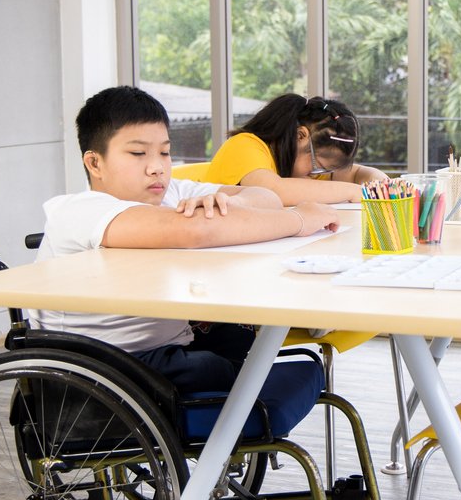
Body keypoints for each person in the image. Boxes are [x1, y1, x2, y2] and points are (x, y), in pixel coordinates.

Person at [33, 86, 339, 396]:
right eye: (138, 153)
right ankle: (235, 416)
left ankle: (236, 415)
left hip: (162, 347)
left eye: (164, 152)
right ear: (95, 163)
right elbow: (195, 231)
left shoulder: (171, 192)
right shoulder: (80, 209)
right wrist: (300, 220)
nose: (157, 166)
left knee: (240, 335)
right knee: (220, 364)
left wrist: (226, 206)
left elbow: (267, 197)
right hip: (105, 368)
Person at [205, 93, 388, 204]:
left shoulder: (298, 166)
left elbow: (357, 174)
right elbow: (273, 191)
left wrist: (381, 184)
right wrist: (355, 192)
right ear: (299, 136)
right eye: (318, 166)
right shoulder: (243, 146)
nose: (317, 175)